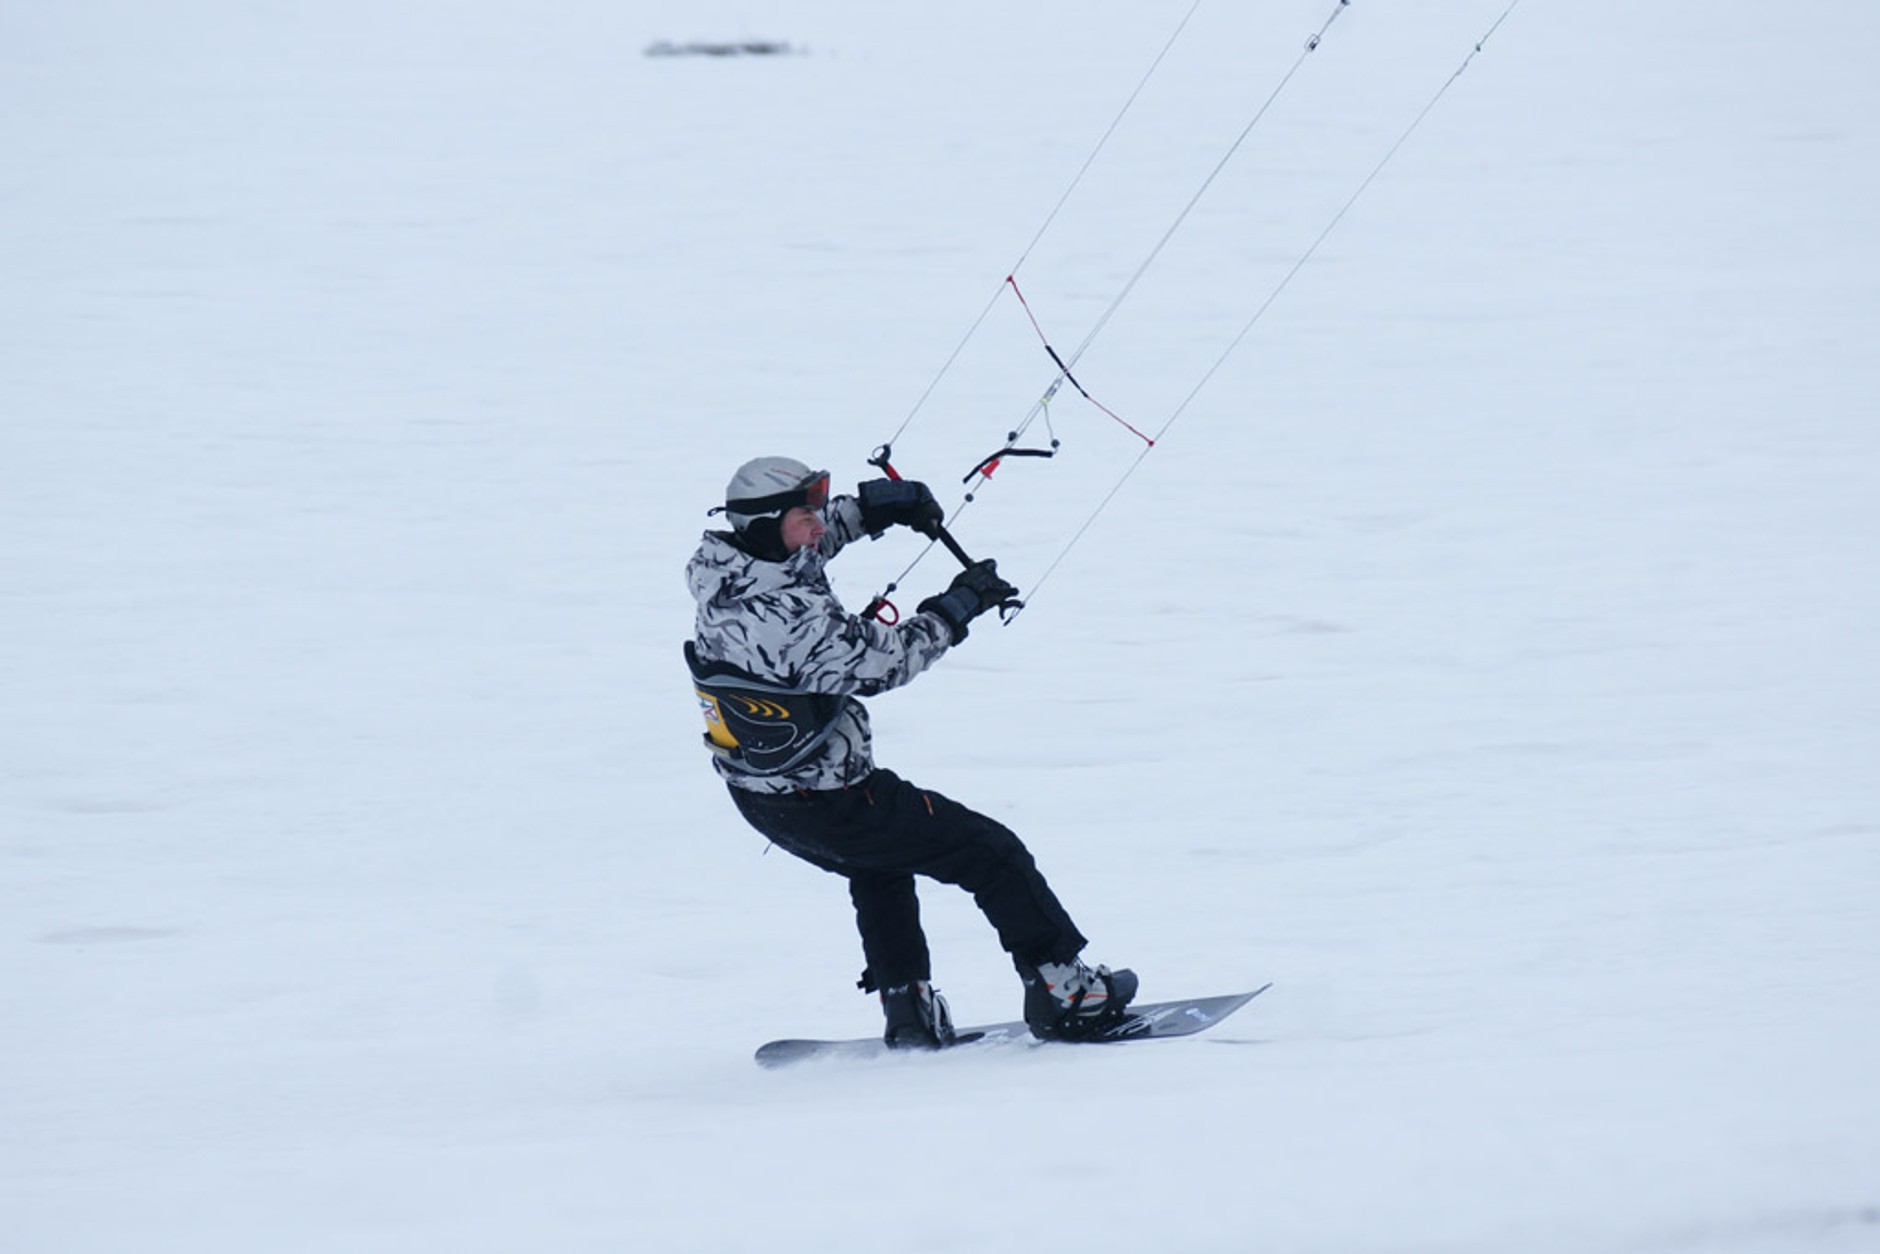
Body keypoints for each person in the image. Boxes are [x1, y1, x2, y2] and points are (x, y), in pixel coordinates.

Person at [684, 455, 1138, 1047]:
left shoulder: (730, 570)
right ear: (768, 524)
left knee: (878, 864)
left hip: (766, 799)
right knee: (991, 853)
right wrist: (955, 608)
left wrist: (872, 509)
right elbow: (887, 662)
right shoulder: (787, 617)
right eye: (805, 515)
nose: (818, 526)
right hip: (832, 801)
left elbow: (809, 547)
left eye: (818, 511)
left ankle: (908, 1012)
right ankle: (1068, 994)